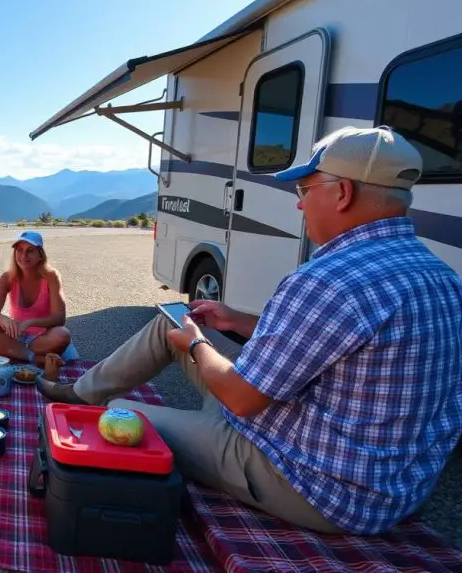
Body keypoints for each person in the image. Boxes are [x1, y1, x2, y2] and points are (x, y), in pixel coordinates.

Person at [38, 126, 462, 536]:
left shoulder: (328, 279)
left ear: (343, 193)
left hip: (313, 484)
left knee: (121, 413)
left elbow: (242, 399)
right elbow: (339, 345)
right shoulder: (441, 276)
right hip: (391, 487)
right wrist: (237, 321)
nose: (300, 206)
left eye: (305, 190)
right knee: (169, 325)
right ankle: (81, 392)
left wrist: (197, 344)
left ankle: (98, 402)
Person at [0, 230, 76, 366]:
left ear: (40, 255)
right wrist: (5, 320)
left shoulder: (51, 276)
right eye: (19, 250)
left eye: (30, 251)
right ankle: (33, 358)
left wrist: (30, 322)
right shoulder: (7, 277)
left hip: (42, 338)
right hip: (15, 336)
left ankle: (14, 353)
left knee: (62, 335)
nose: (23, 256)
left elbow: (59, 318)